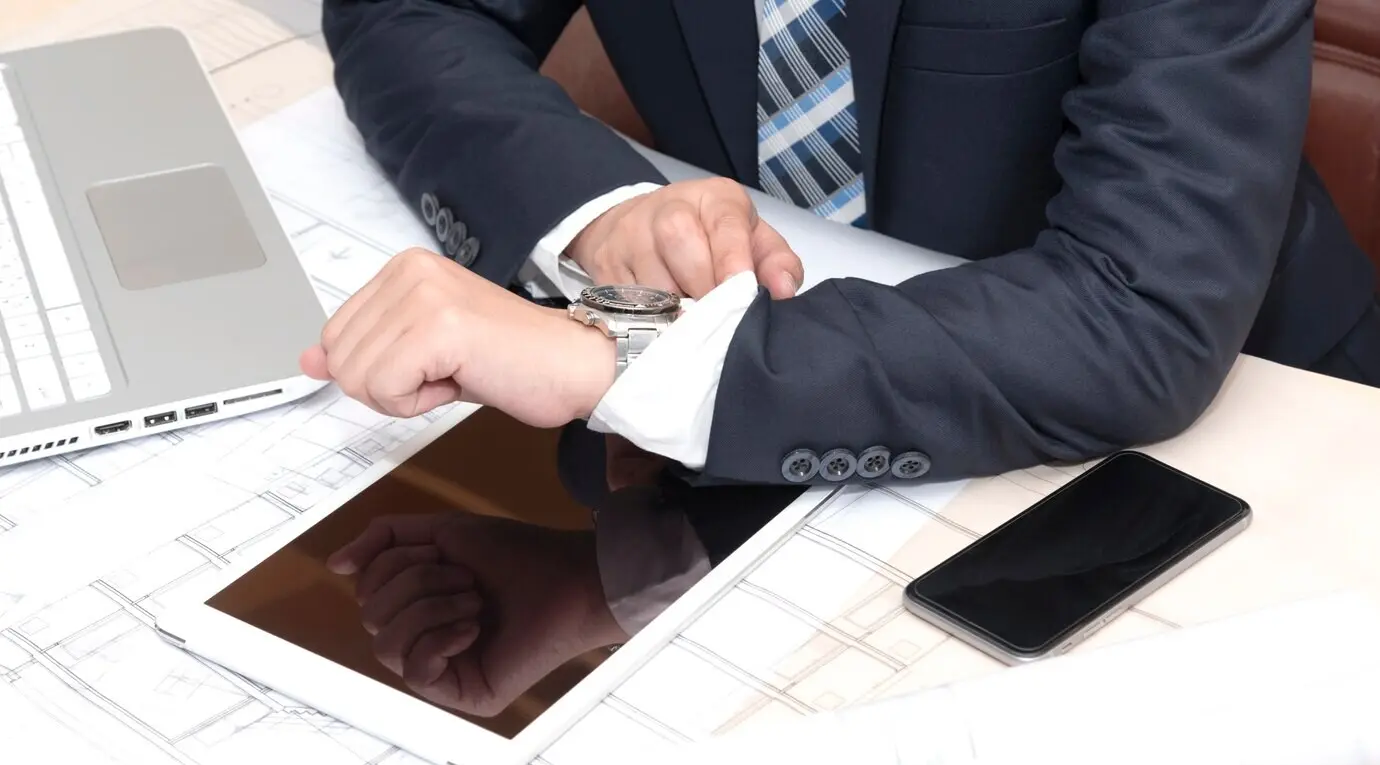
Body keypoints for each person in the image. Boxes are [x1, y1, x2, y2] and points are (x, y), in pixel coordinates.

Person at [307, 0, 1378, 492]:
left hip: (1245, 443)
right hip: (782, 437)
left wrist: (625, 352)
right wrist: (599, 216)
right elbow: (408, 13)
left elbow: (1136, 312)